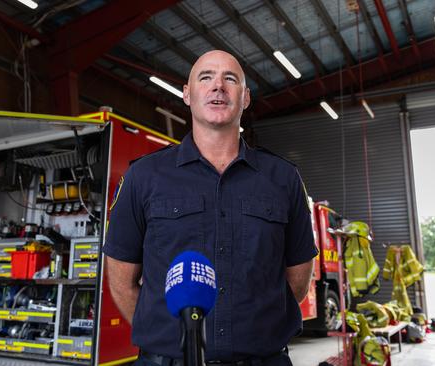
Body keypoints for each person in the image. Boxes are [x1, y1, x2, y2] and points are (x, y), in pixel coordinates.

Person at [103, 50, 317, 366]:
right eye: (206, 77)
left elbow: (297, 280)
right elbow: (121, 280)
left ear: (245, 98)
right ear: (188, 95)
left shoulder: (283, 178)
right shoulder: (143, 177)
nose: (218, 86)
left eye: (230, 79)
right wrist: (169, 340)